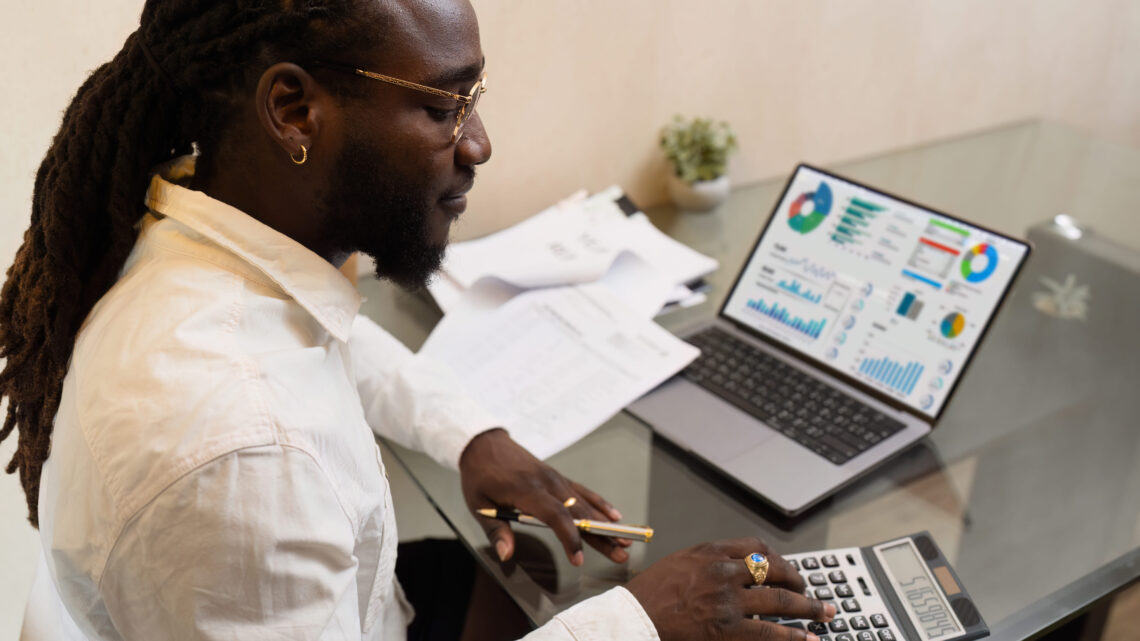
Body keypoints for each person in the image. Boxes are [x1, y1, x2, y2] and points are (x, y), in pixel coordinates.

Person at [0, 1, 837, 639]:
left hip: (365, 602)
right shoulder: (244, 455)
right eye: (442, 108)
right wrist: (639, 621)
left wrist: (471, 437)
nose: (478, 144)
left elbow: (319, 331)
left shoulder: (205, 225)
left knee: (519, 582)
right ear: (293, 110)